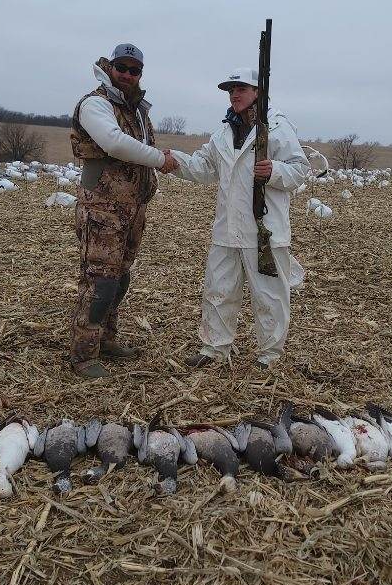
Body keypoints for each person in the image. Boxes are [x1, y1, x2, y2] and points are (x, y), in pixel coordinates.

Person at [164, 67, 310, 369]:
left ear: (258, 91)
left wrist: (274, 171)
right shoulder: (222, 133)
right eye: (231, 89)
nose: (234, 94)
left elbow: (299, 169)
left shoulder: (278, 128)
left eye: (241, 88)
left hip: (264, 230)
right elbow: (203, 168)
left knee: (270, 297)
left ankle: (269, 358)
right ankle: (214, 350)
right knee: (218, 290)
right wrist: (173, 161)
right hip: (226, 229)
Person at [69, 43, 177, 379]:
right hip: (102, 209)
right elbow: (114, 143)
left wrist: (161, 157)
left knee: (120, 278)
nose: (128, 75)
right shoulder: (96, 104)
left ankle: (106, 341)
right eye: (122, 68)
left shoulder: (137, 111)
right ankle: (83, 356)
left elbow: (141, 147)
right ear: (110, 67)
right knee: (100, 282)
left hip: (132, 208)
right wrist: (160, 159)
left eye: (135, 70)